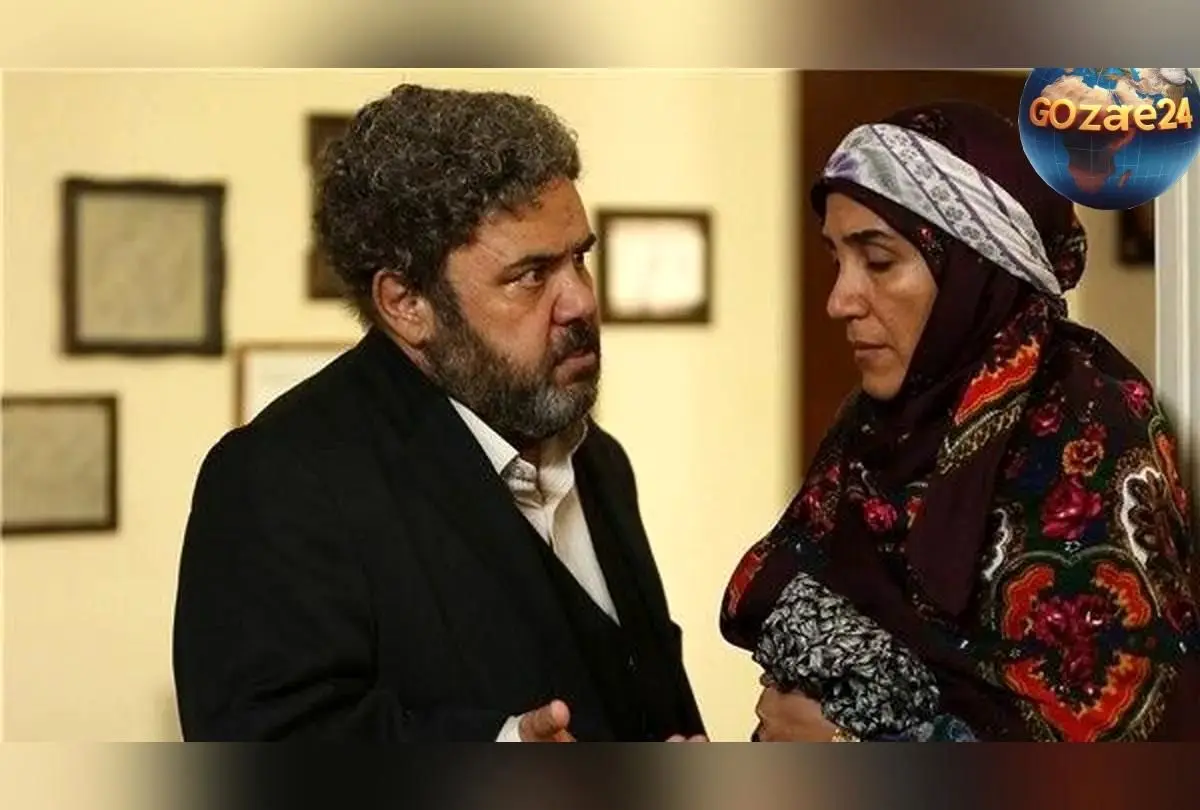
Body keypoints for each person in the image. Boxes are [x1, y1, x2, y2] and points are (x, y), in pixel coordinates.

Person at [172, 83, 707, 742]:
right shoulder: (279, 480)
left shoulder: (599, 461)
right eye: (531, 275)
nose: (580, 302)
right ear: (406, 304)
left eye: (580, 259)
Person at [720, 101, 1200, 742]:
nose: (840, 300)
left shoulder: (1092, 434)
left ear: (976, 268)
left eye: (878, 262)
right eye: (837, 259)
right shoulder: (876, 430)